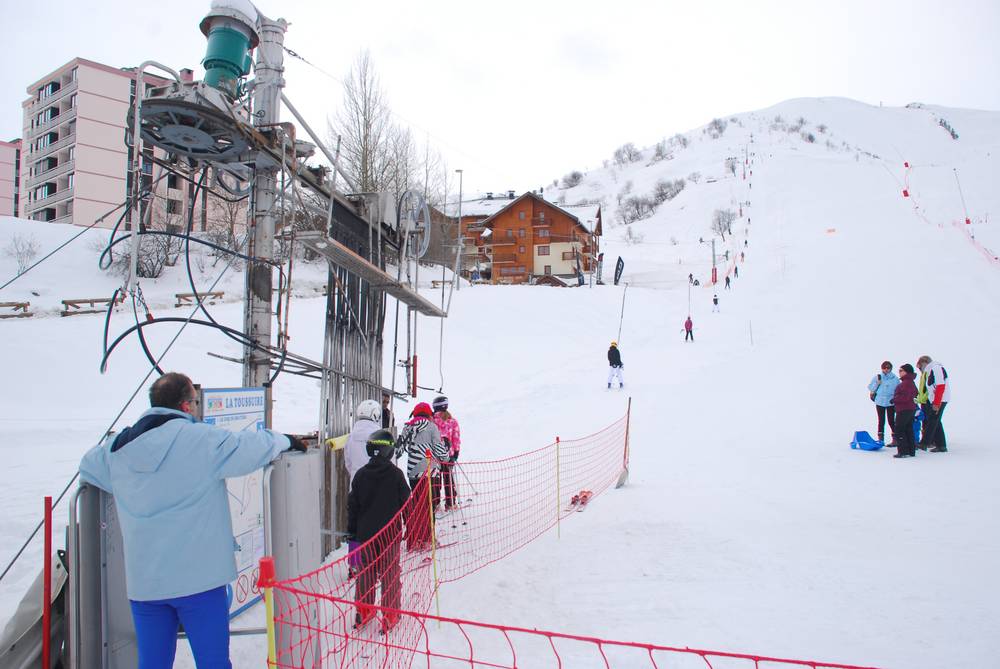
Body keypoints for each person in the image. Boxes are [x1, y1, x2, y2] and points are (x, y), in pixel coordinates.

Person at [78, 372, 305, 668]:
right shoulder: (202, 440)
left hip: (146, 583)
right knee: (213, 662)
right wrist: (284, 440)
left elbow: (88, 465)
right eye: (196, 402)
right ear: (186, 405)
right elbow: (249, 447)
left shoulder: (119, 448)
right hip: (201, 582)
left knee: (152, 663)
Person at [347, 429, 410, 632]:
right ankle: (390, 614)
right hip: (389, 536)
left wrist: (352, 534)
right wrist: (410, 525)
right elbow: (407, 504)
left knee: (365, 573)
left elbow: (353, 507)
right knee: (390, 573)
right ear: (389, 452)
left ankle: (364, 611)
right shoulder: (396, 475)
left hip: (365, 536)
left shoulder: (360, 475)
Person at [394, 402, 447, 550]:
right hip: (430, 471)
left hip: (413, 473)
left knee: (418, 506)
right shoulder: (432, 427)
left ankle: (417, 539)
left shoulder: (408, 427)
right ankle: (428, 539)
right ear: (428, 414)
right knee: (429, 506)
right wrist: (446, 456)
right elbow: (439, 449)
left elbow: (398, 451)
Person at [432, 396, 462, 511]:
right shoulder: (452, 421)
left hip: (434, 456)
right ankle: (451, 503)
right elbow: (456, 438)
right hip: (448, 456)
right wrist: (456, 453)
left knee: (436, 480)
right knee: (448, 478)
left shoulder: (431, 421)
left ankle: (436, 504)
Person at [916, 355, 950, 452]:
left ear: (923, 363)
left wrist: (936, 403)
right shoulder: (931, 370)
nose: (920, 370)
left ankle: (924, 443)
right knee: (936, 421)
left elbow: (940, 386)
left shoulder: (936, 368)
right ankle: (941, 445)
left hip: (940, 400)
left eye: (920, 367)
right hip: (936, 400)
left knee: (932, 420)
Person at [345, 399, 382, 483]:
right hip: (377, 482)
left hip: (356, 481)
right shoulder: (380, 436)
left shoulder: (350, 437)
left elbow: (348, 463)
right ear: (375, 414)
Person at [867, 361, 900, 445]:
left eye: (888, 368)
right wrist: (877, 384)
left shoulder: (895, 378)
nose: (886, 369)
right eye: (884, 368)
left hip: (890, 402)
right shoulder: (878, 377)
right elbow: (871, 388)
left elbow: (898, 390)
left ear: (891, 369)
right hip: (880, 402)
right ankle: (881, 439)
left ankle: (895, 439)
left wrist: (895, 398)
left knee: (891, 420)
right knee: (881, 420)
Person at [891, 364, 919, 458]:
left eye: (901, 370)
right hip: (910, 408)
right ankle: (911, 450)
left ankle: (903, 451)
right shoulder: (910, 382)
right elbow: (915, 394)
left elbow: (905, 397)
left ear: (907, 372)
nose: (899, 372)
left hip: (904, 409)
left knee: (899, 429)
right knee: (908, 429)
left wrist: (894, 399)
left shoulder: (906, 383)